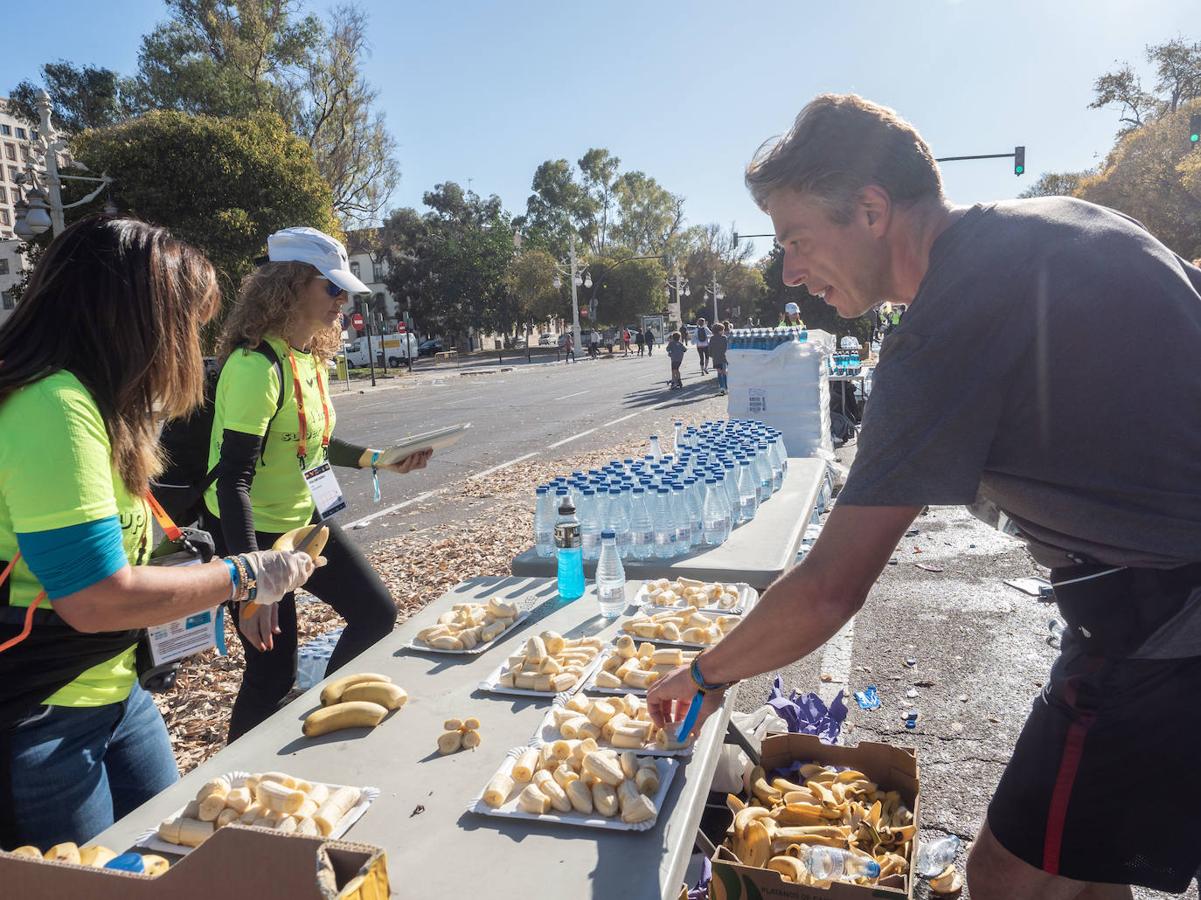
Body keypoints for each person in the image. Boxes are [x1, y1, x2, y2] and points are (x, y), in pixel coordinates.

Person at [646, 94, 1201, 900]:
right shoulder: (1059, 219)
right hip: (1152, 606)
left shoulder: (940, 328)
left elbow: (831, 588)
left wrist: (702, 676)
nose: (787, 272)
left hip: (1162, 624)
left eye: (797, 241)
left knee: (1010, 877)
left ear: (871, 210)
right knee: (1076, 862)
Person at [0, 217, 317, 850]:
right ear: (136, 320)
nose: (194, 350)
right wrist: (244, 575)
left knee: (172, 858)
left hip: (118, 687)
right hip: (43, 713)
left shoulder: (98, 404)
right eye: (188, 327)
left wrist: (180, 555)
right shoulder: (53, 405)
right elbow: (94, 597)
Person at [201, 227, 431, 741]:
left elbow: (314, 443)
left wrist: (381, 460)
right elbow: (234, 478)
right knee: (270, 671)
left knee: (375, 613)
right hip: (250, 531)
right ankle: (235, 777)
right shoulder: (254, 365)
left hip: (303, 520)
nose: (342, 299)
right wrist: (252, 584)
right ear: (289, 284)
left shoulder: (309, 358)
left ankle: (322, 720)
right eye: (331, 287)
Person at [708, 322, 729, 395]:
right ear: (719, 331)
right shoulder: (724, 338)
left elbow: (709, 349)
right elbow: (727, 347)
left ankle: (721, 388)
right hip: (724, 358)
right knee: (725, 373)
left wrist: (712, 355)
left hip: (716, 358)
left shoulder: (712, 338)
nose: (723, 331)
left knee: (719, 373)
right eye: (722, 330)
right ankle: (726, 388)